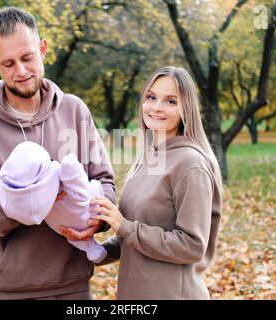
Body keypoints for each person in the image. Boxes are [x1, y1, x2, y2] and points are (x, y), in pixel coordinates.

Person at [0, 7, 115, 300]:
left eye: (27, 58)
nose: (21, 71)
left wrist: (96, 221)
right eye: (8, 63)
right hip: (5, 290)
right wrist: (26, 204)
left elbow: (104, 181)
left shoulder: (74, 110)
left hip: (72, 288)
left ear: (43, 49)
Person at [73, 66, 223, 299]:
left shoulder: (190, 164)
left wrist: (124, 226)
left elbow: (192, 245)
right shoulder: (151, 158)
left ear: (187, 109)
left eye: (171, 101)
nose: (156, 107)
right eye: (151, 97)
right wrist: (98, 250)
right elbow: (135, 235)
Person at [0, 140, 107, 263]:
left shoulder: (80, 122)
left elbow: (105, 179)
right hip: (13, 268)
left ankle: (90, 247)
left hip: (72, 266)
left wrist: (103, 219)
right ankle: (90, 247)